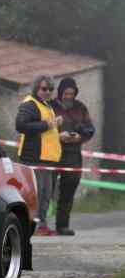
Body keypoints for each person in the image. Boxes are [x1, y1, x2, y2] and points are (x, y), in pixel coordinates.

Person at [15, 75, 62, 236]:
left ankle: (42, 224)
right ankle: (34, 225)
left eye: (50, 89)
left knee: (46, 193)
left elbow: (48, 132)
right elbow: (20, 125)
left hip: (47, 158)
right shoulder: (30, 104)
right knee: (38, 193)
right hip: (34, 157)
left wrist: (59, 133)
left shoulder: (46, 105)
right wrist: (47, 125)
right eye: (44, 89)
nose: (47, 92)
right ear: (36, 88)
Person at [50, 78, 95, 236]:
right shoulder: (50, 106)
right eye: (66, 93)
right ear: (60, 92)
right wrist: (57, 136)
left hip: (73, 154)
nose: (69, 96)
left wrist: (79, 137)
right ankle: (39, 224)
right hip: (52, 153)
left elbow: (90, 129)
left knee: (69, 189)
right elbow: (42, 128)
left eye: (72, 93)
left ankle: (62, 225)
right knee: (45, 189)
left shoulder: (80, 108)